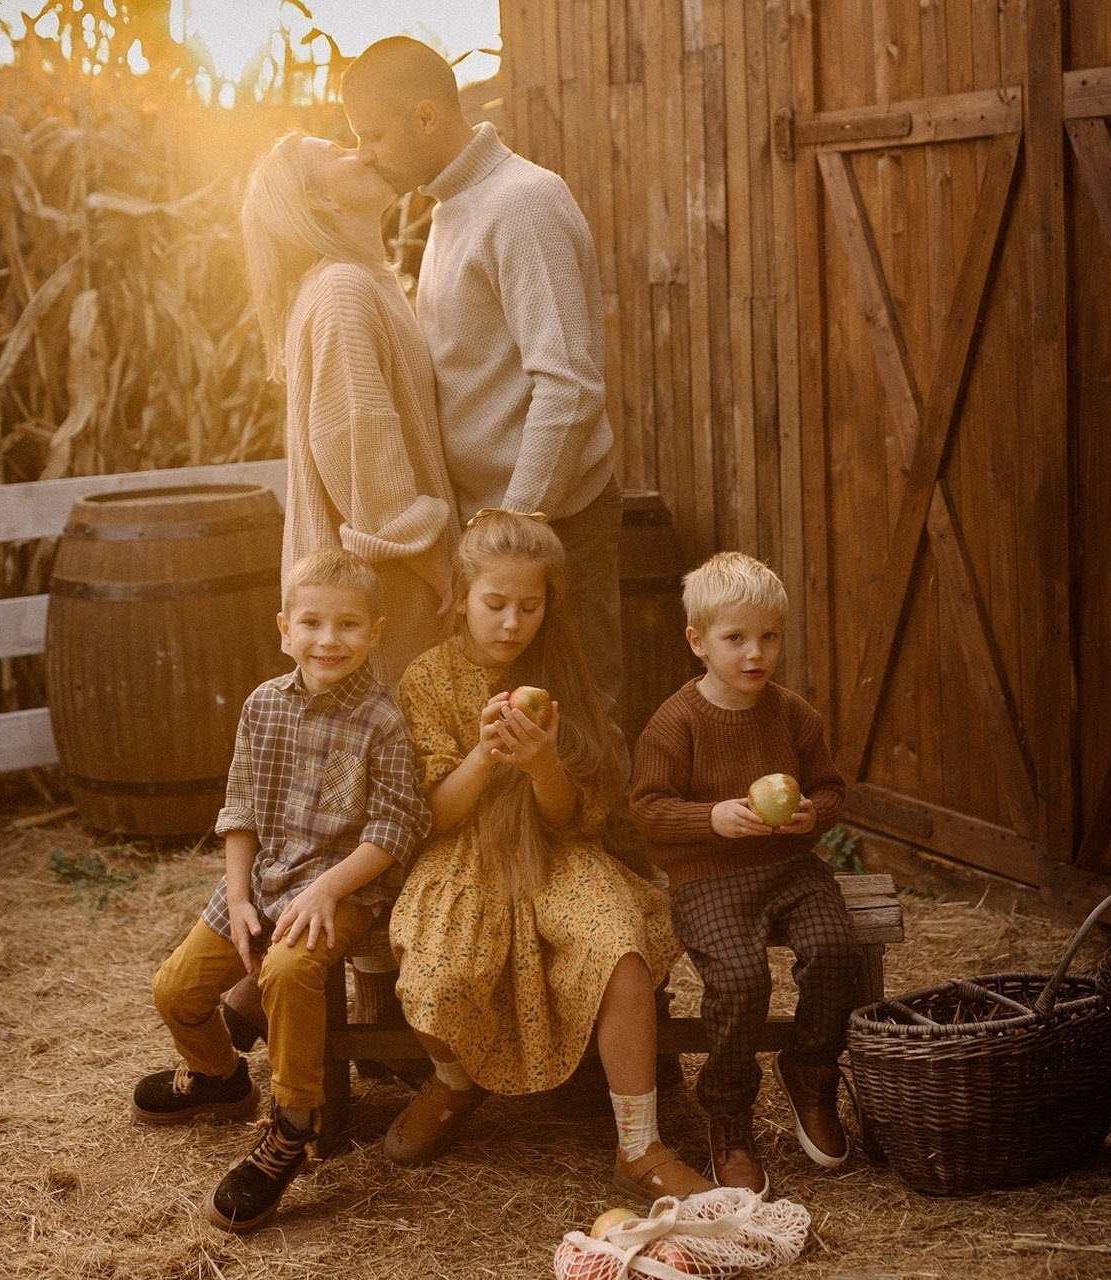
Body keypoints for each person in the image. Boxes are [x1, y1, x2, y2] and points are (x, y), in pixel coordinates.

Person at [384, 508, 711, 1206]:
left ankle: (639, 1145)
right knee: (436, 977)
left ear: (548, 605)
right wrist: (484, 754)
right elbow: (436, 813)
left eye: (529, 607)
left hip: (556, 851)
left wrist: (543, 766)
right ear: (461, 597)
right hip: (465, 853)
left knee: (619, 948)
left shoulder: (560, 668)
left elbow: (573, 817)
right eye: (495, 604)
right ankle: (454, 1081)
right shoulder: (427, 678)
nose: (512, 623)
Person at [131, 548, 431, 1234]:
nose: (329, 639)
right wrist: (238, 900)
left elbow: (396, 827)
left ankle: (293, 1124)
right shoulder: (263, 705)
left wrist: (327, 889)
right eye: (313, 623)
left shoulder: (382, 718)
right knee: (175, 991)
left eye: (348, 624)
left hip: (343, 889)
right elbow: (241, 810)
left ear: (376, 632)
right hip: (262, 882)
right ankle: (220, 1079)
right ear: (285, 628)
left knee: (291, 971)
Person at [341, 39, 626, 720]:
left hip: (553, 528)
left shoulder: (522, 203)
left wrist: (511, 530)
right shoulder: (451, 207)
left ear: (426, 116)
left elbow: (569, 385)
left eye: (373, 135)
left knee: (583, 723)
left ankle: (606, 806)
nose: (365, 155)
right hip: (496, 535)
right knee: (512, 732)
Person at [629, 551, 857, 1195]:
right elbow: (648, 809)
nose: (756, 653)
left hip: (789, 866)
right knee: (739, 979)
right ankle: (728, 1116)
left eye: (769, 637)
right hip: (708, 876)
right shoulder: (676, 722)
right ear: (697, 642)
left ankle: (810, 1070)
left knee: (834, 948)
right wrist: (712, 819)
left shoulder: (793, 714)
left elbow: (831, 789)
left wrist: (812, 814)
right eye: (735, 639)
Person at [241, 130, 458, 682]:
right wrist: (442, 571)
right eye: (337, 151)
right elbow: (362, 447)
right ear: (320, 201)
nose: (362, 151)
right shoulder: (342, 289)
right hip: (387, 592)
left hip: (383, 586)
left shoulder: (365, 282)